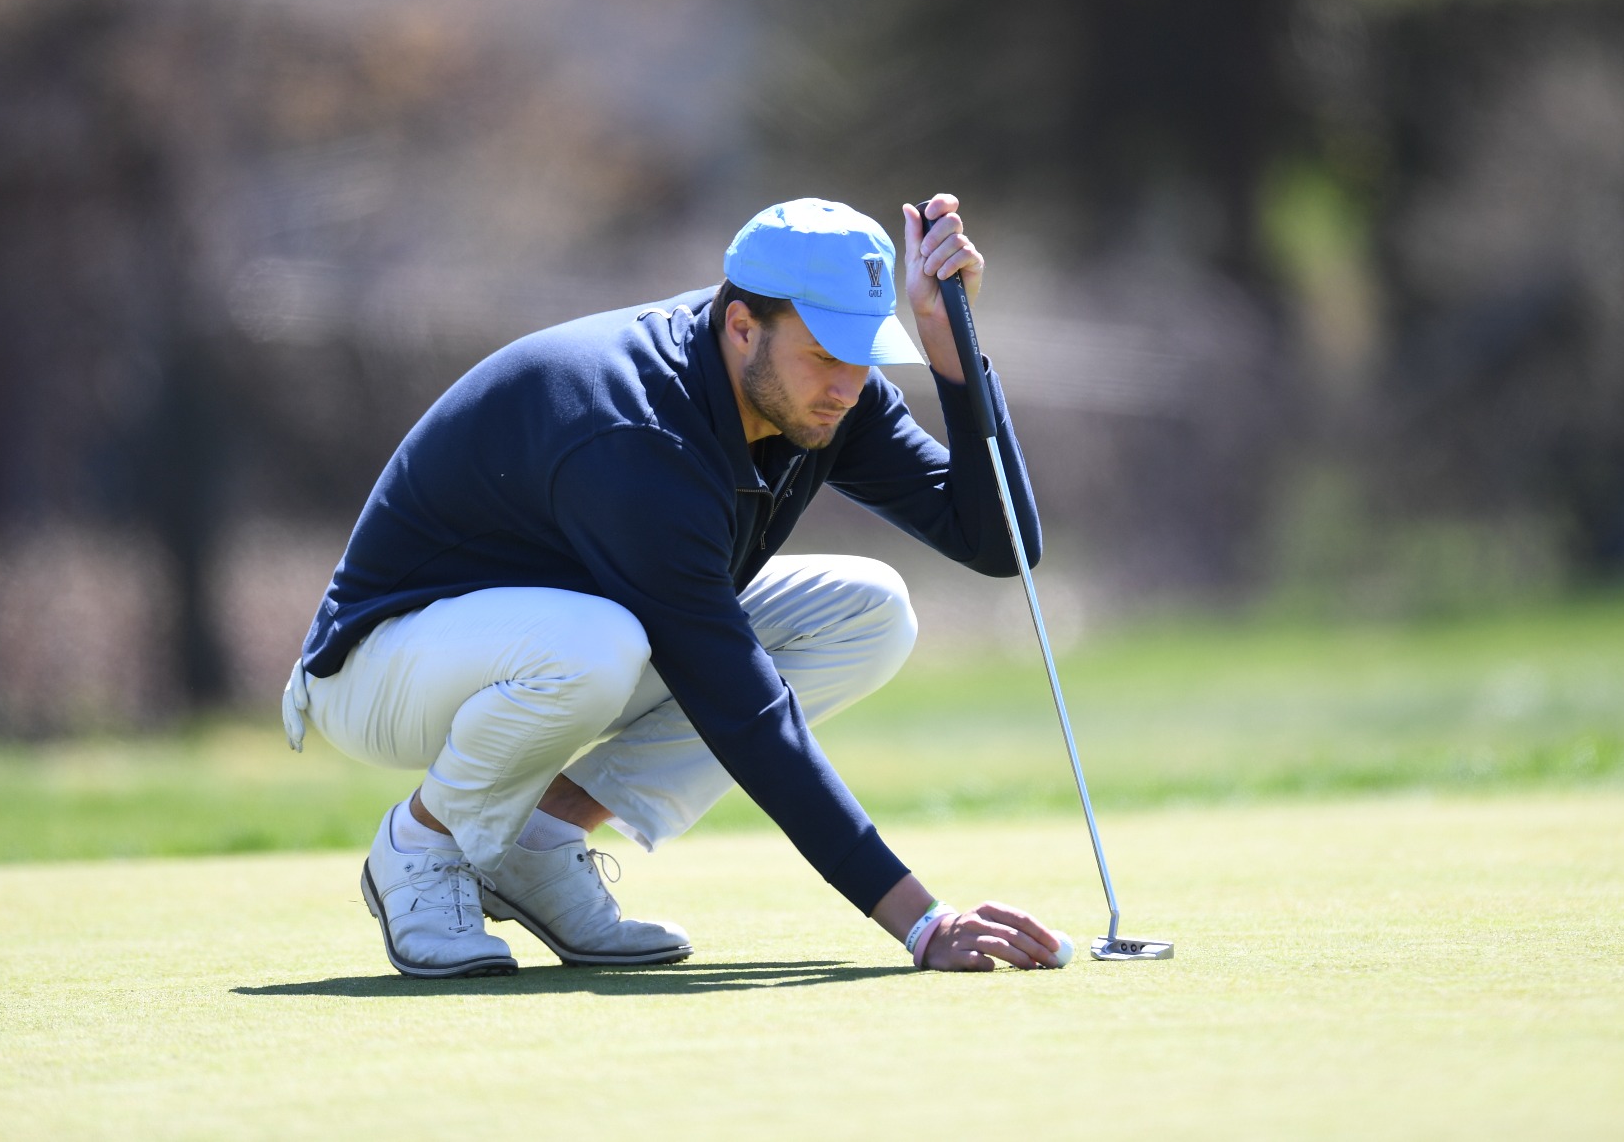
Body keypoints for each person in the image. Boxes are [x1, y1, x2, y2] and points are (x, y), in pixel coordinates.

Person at [281, 194, 1066, 976]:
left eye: (867, 353)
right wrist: (922, 922)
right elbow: (747, 712)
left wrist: (952, 355)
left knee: (870, 611)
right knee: (599, 647)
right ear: (741, 326)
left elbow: (1000, 543)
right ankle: (421, 844)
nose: (849, 384)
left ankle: (537, 841)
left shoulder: (823, 397)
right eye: (826, 353)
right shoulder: (639, 433)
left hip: (552, 649)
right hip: (380, 664)